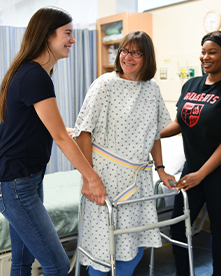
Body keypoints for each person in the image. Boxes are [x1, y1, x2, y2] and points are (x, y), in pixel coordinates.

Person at [0, 7, 105, 276]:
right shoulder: (35, 76)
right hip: (16, 184)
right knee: (58, 264)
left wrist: (79, 132)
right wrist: (91, 177)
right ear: (46, 36)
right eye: (67, 33)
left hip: (21, 180)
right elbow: (59, 136)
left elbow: (43, 125)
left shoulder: (32, 72)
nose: (72, 40)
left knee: (21, 263)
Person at [73, 30, 175, 276]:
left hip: (139, 180)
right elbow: (82, 132)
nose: (128, 57)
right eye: (124, 51)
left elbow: (154, 134)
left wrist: (161, 170)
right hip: (105, 177)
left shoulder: (151, 89)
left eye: (136, 53)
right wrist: (89, 179)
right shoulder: (104, 84)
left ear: (146, 57)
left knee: (135, 244)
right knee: (103, 248)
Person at [161, 31, 221, 276]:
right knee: (178, 227)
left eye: (212, 52)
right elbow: (181, 122)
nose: (205, 57)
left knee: (220, 228)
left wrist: (200, 175)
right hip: (194, 166)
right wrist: (153, 134)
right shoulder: (191, 85)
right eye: (203, 51)